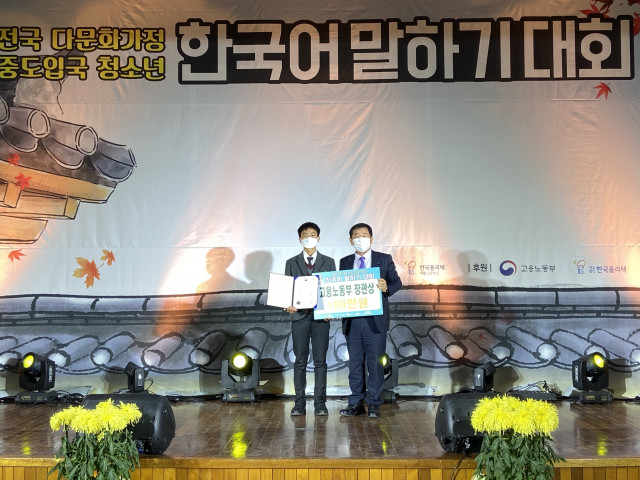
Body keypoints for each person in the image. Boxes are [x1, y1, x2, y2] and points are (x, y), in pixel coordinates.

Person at [338, 222, 402, 418]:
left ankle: (374, 402)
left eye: (364, 235)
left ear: (371, 238)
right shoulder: (345, 262)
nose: (360, 239)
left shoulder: (384, 259)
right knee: (355, 364)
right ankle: (355, 402)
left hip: (375, 321)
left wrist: (386, 287)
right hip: (352, 320)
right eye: (356, 236)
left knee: (375, 363)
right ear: (350, 241)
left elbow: (397, 283)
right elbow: (339, 289)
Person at [284, 222, 336, 416]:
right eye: (305, 235)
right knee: (300, 361)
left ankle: (320, 404)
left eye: (312, 234)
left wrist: (331, 308)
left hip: (321, 318)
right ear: (300, 239)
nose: (309, 238)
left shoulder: (329, 261)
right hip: (299, 317)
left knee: (320, 362)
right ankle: (299, 404)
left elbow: (331, 289)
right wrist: (288, 303)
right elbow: (287, 289)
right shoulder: (291, 262)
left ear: (318, 238)